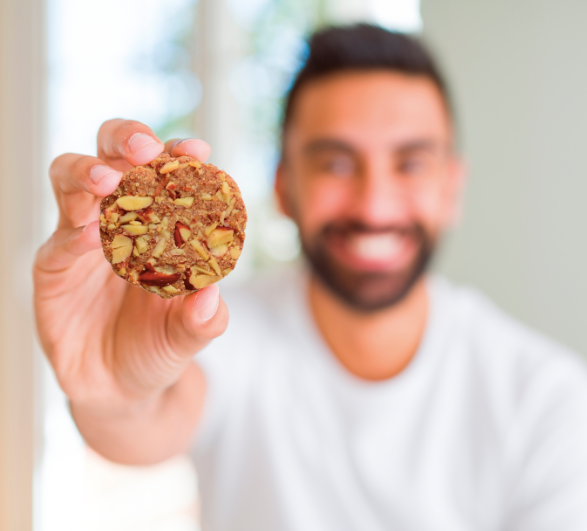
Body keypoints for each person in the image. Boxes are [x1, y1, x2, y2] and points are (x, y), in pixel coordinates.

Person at [34, 24, 587, 531]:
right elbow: (150, 420)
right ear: (283, 188)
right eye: (336, 163)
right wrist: (113, 396)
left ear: (452, 188)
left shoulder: (547, 400)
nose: (374, 205)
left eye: (411, 163)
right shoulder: (219, 331)